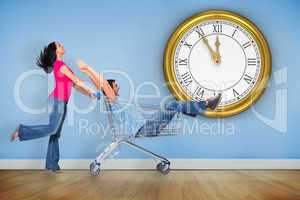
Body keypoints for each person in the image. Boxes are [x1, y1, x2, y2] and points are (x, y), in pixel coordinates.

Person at [77, 60, 222, 137]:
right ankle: (206, 104)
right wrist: (88, 69)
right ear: (110, 90)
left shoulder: (112, 100)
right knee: (172, 104)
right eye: (115, 86)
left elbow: (102, 86)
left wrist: (87, 72)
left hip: (146, 125)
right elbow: (104, 85)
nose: (118, 87)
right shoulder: (113, 100)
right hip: (145, 128)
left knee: (172, 105)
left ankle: (205, 104)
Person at [10, 42, 95, 172]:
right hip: (57, 101)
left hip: (61, 102)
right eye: (59, 45)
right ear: (56, 51)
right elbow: (78, 80)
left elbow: (75, 85)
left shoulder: (64, 66)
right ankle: (22, 131)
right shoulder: (60, 65)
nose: (62, 46)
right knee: (52, 129)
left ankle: (51, 165)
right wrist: (92, 90)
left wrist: (89, 94)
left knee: (55, 134)